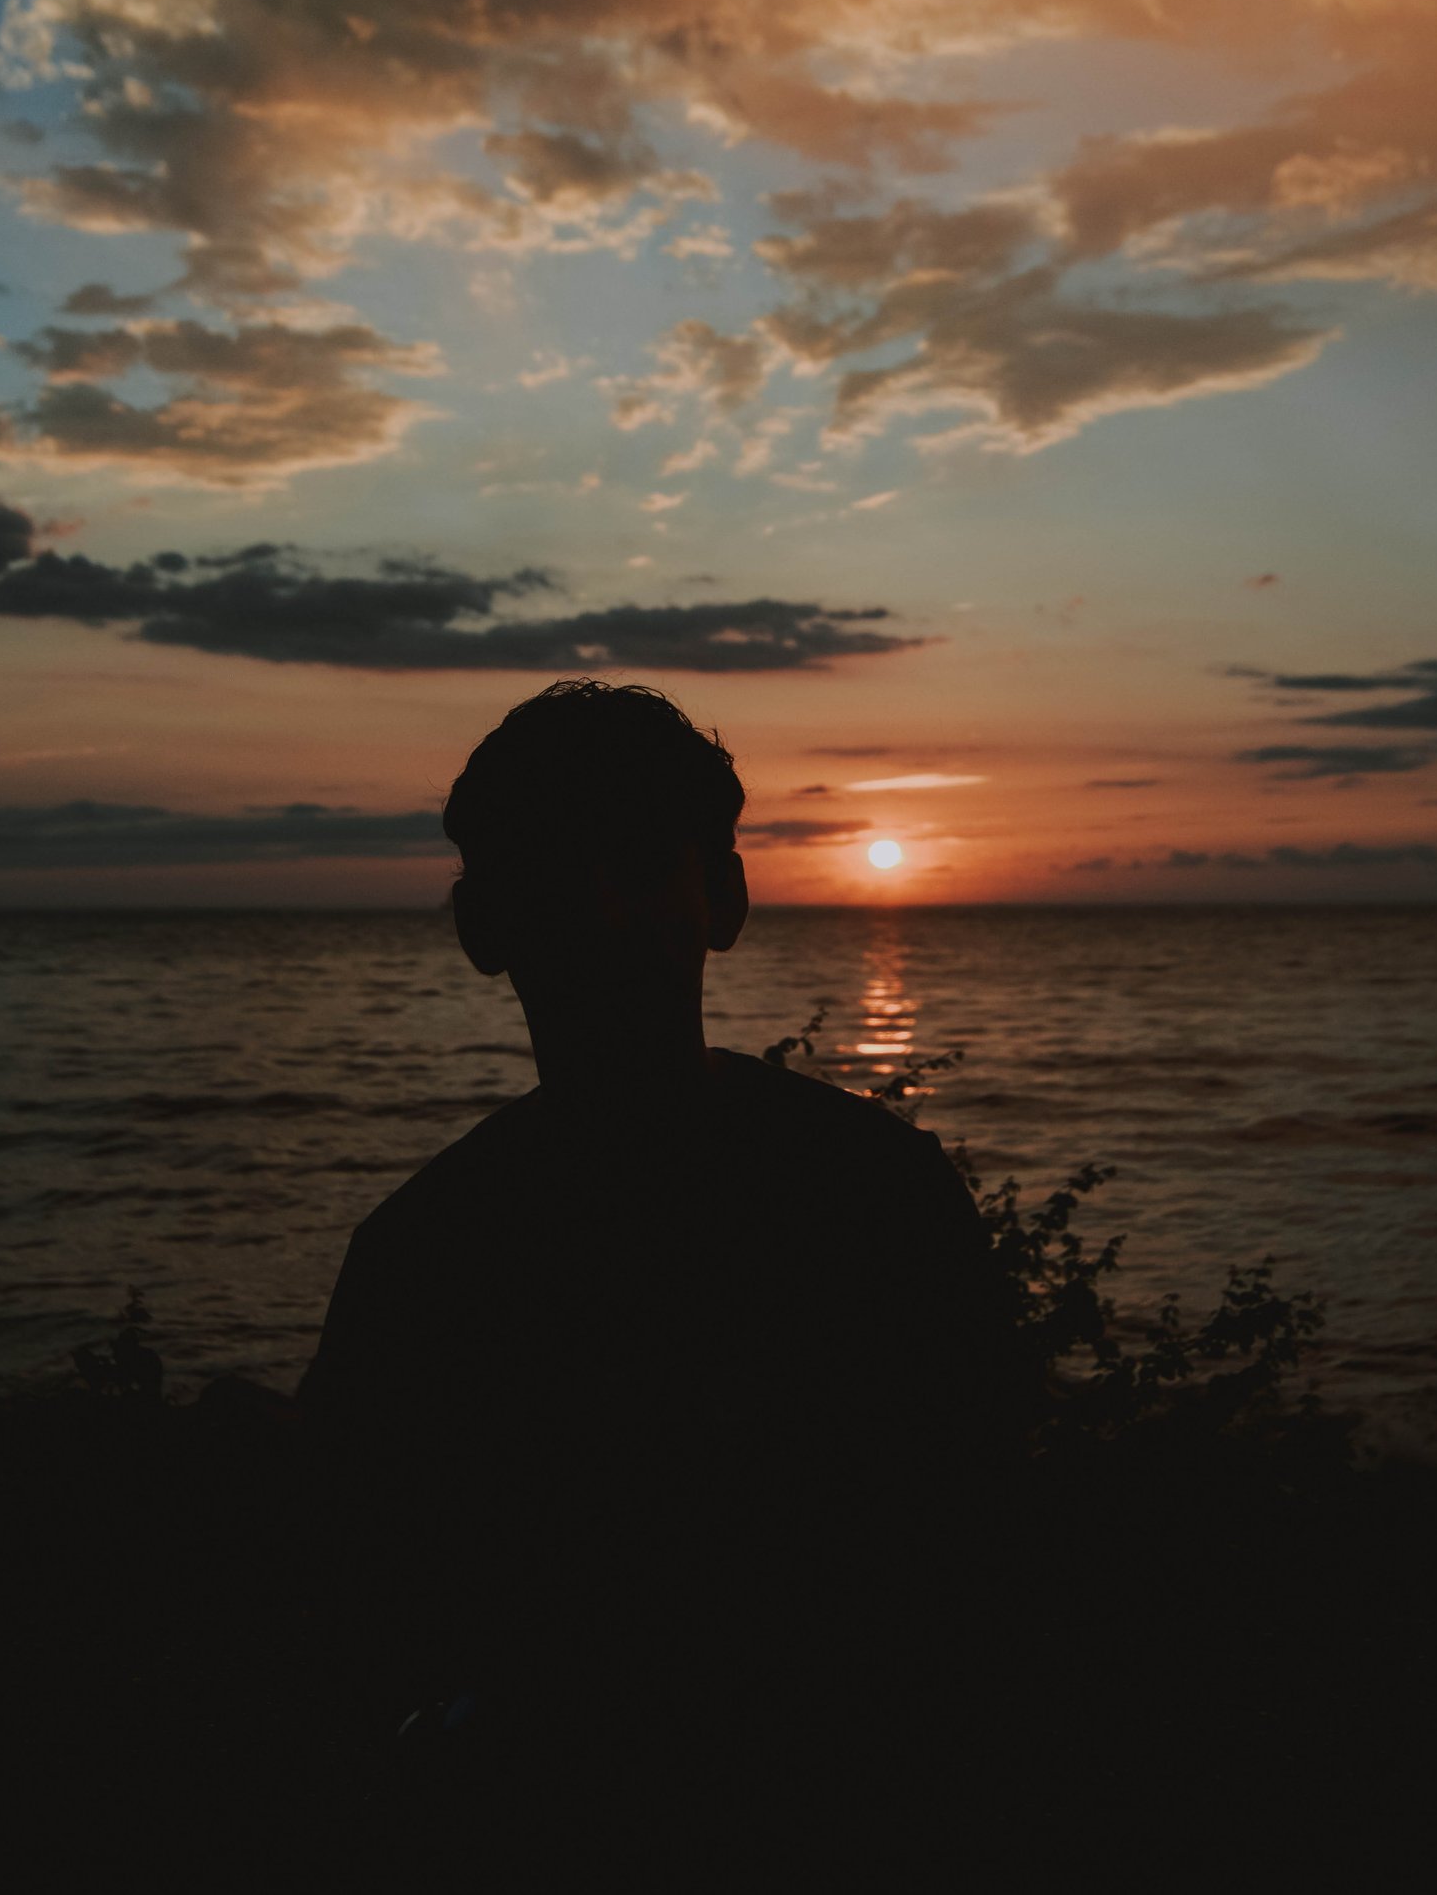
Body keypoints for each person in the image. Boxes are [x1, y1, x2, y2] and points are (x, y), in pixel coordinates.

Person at [302, 680, 1025, 1883]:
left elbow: (975, 1555)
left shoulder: (871, 1198)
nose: (598, 908)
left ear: (723, 899)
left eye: (636, 863)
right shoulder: (426, 1254)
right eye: (549, 872)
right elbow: (368, 1598)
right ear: (483, 925)